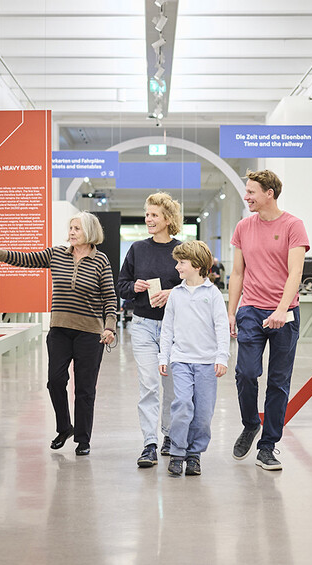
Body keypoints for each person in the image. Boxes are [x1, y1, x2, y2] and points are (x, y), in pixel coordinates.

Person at [0, 212, 117, 456]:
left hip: (90, 335)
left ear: (90, 232)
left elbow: (110, 298)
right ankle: (64, 427)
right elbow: (26, 259)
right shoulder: (57, 254)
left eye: (77, 229)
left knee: (85, 388)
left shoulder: (100, 261)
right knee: (55, 381)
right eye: (70, 227)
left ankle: (83, 439)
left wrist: (110, 326)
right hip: (59, 330)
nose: (71, 232)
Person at [227, 170, 309, 471]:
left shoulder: (293, 226)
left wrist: (280, 309)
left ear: (269, 193)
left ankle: (268, 446)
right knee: (246, 373)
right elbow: (237, 273)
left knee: (278, 382)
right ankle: (251, 423)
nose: (246, 197)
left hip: (285, 313)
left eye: (251, 192)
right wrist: (231, 313)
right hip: (250, 310)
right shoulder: (243, 227)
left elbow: (295, 274)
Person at [116, 192, 183, 468]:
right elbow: (121, 285)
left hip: (175, 329)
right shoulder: (137, 250)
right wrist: (135, 287)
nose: (148, 219)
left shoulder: (181, 251)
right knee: (148, 385)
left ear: (167, 219)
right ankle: (149, 444)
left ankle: (169, 435)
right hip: (142, 325)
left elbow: (194, 286)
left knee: (172, 387)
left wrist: (173, 293)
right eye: (147, 214)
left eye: (154, 215)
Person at [158, 241, 229, 477]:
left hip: (208, 363)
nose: (177, 266)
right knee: (182, 405)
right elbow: (166, 329)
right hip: (181, 361)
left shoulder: (213, 294)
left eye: (182, 262)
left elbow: (221, 327)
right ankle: (178, 452)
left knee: (203, 413)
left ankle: (194, 455)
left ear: (197, 265)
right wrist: (164, 356)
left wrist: (222, 357)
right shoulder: (176, 294)